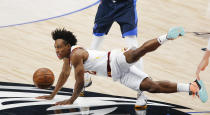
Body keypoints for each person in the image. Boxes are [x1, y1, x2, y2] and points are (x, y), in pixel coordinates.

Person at [36, 27, 208, 107]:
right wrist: (53, 94)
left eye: (59, 47)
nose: (57, 50)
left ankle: (166, 37)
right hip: (118, 75)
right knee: (153, 87)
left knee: (137, 52)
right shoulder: (68, 59)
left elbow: (79, 82)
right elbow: (63, 75)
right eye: (55, 47)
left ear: (68, 46)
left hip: (115, 59)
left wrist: (71, 100)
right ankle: (192, 87)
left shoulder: (75, 55)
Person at [85, 0, 144, 104]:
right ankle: (85, 78)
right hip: (106, 5)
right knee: (95, 43)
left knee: (133, 47)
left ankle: (141, 91)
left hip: (126, 6)